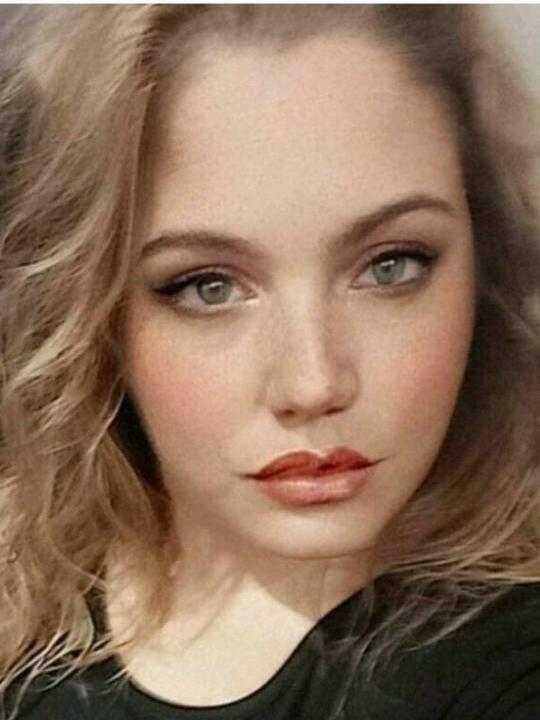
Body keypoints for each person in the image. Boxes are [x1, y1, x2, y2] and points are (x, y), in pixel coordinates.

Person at [1, 5, 540, 719]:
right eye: (208, 287)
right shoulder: (26, 585)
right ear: (93, 313)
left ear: (485, 261)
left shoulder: (508, 661)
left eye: (390, 265)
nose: (313, 383)